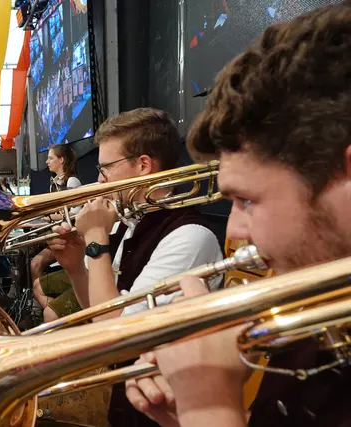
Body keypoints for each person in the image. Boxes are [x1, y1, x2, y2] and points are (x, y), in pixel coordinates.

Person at [125, 4, 351, 426]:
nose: (235, 229)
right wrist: (188, 414)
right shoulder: (316, 298)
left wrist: (208, 405)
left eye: (247, 200)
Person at [48, 107, 223, 427]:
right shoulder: (126, 223)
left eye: (106, 168)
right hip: (126, 398)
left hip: (162, 412)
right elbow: (98, 314)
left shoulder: (189, 237)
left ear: (143, 165)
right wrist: (76, 268)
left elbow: (116, 337)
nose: (99, 180)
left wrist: (96, 240)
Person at [31, 144, 81, 322]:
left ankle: (44, 311)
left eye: (51, 158)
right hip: (59, 234)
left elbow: (75, 213)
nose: (47, 161)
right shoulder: (56, 183)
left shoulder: (72, 182)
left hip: (69, 238)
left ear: (61, 160)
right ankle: (50, 311)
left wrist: (48, 216)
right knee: (32, 261)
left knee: (36, 263)